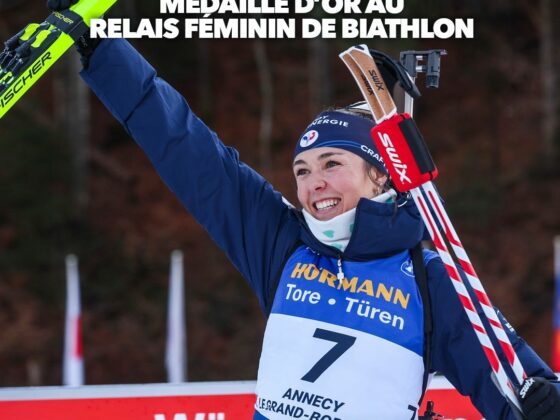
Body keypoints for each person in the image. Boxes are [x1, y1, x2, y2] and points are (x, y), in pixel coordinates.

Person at [47, 1, 560, 418]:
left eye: (332, 164)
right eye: (302, 170)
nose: (315, 183)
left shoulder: (431, 280)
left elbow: (515, 386)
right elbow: (186, 148)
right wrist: (102, 47)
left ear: (381, 174)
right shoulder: (283, 243)